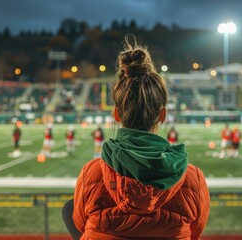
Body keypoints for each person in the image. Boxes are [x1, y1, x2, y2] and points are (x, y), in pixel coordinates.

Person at [71, 37, 210, 239]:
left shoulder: (90, 173)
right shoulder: (193, 178)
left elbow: (79, 223)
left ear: (117, 114)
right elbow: (196, 230)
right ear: (162, 116)